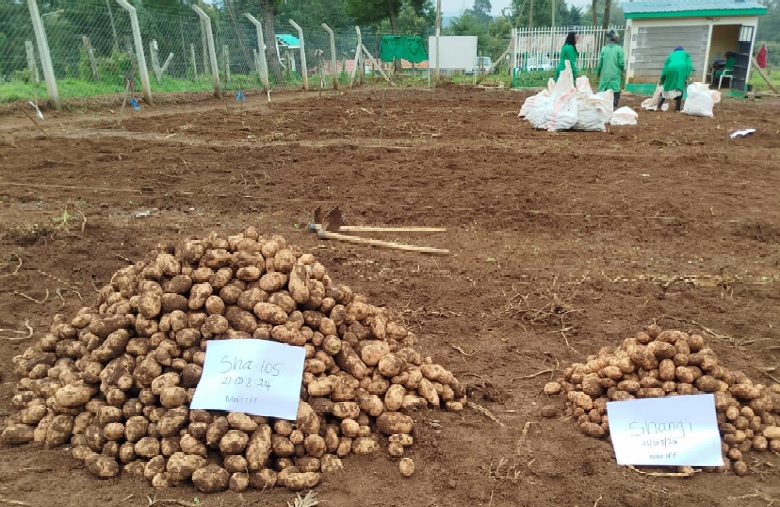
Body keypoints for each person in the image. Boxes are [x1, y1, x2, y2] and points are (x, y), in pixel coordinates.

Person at [657, 46, 693, 112]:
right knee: (680, 86)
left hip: (670, 68)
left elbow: (665, 69)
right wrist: (686, 76)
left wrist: (662, 81)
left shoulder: (671, 55)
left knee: (667, 85)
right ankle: (677, 109)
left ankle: (659, 105)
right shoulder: (686, 54)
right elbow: (689, 66)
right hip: (682, 69)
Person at [596, 29, 625, 109]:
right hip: (615, 74)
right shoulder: (619, 49)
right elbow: (621, 63)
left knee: (602, 91)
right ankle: (614, 106)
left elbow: (600, 64)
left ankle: (602, 107)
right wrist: (623, 71)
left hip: (605, 75)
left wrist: (598, 73)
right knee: (615, 90)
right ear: (616, 38)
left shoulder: (604, 49)